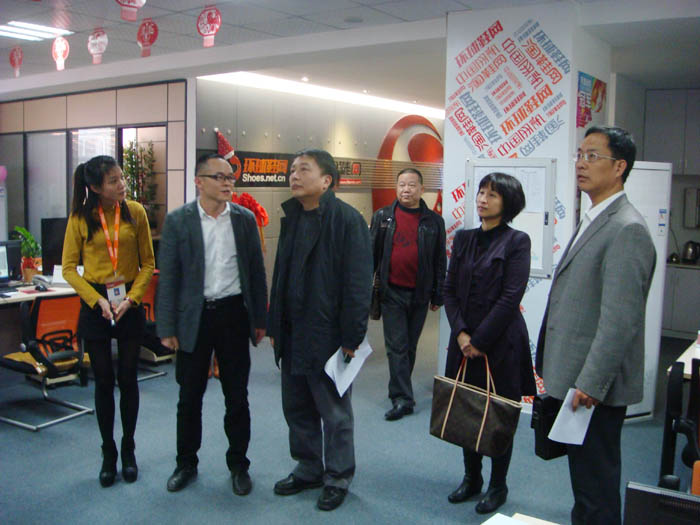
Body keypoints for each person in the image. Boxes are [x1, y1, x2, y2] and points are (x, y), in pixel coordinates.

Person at [536, 126, 655, 525]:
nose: (581, 164)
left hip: (593, 389)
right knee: (584, 483)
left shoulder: (627, 228)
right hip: (577, 378)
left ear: (619, 167)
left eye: (592, 156)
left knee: (596, 488)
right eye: (580, 155)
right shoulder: (596, 217)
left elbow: (620, 320)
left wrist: (590, 383)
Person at [267, 148, 372, 511]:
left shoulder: (347, 221)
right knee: (297, 407)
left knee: (334, 412)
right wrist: (275, 324)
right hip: (292, 331)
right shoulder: (293, 216)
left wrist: (352, 336)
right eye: (292, 170)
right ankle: (309, 467)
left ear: (327, 180)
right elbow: (281, 276)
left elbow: (358, 283)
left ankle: (338, 476)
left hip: (328, 335)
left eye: (303, 170)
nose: (294, 176)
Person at [156, 153, 267, 496]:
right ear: (199, 181)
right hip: (195, 317)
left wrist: (260, 319)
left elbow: (256, 272)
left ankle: (239, 465)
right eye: (219, 177)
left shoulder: (245, 219)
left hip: (233, 314)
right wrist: (167, 326)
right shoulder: (178, 221)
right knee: (189, 397)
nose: (227, 183)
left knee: (237, 396)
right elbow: (168, 278)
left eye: (230, 177)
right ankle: (186, 463)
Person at [443, 172, 536, 515]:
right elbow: (449, 290)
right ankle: (472, 478)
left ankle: (498, 485)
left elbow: (511, 297)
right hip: (464, 340)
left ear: (508, 203)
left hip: (501, 343)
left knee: (499, 414)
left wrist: (480, 340)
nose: (482, 199)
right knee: (466, 409)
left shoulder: (517, 241)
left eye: (492, 195)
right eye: (481, 193)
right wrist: (462, 334)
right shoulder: (464, 238)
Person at [62, 155, 155, 487]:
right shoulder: (80, 218)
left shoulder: (135, 212)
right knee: (103, 381)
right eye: (114, 181)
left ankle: (128, 449)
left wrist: (132, 298)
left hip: (128, 299)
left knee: (128, 379)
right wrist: (97, 300)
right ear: (96, 187)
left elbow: (148, 263)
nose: (122, 185)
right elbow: (69, 269)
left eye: (122, 178)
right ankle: (108, 452)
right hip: (96, 302)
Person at [370, 168, 446, 421]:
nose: (406, 189)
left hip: (420, 294)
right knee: (397, 347)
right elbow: (371, 255)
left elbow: (439, 261)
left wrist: (438, 294)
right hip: (391, 292)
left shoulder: (434, 222)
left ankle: (400, 389)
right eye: (401, 184)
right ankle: (402, 398)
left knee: (409, 346)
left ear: (421, 189)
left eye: (411, 185)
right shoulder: (383, 217)